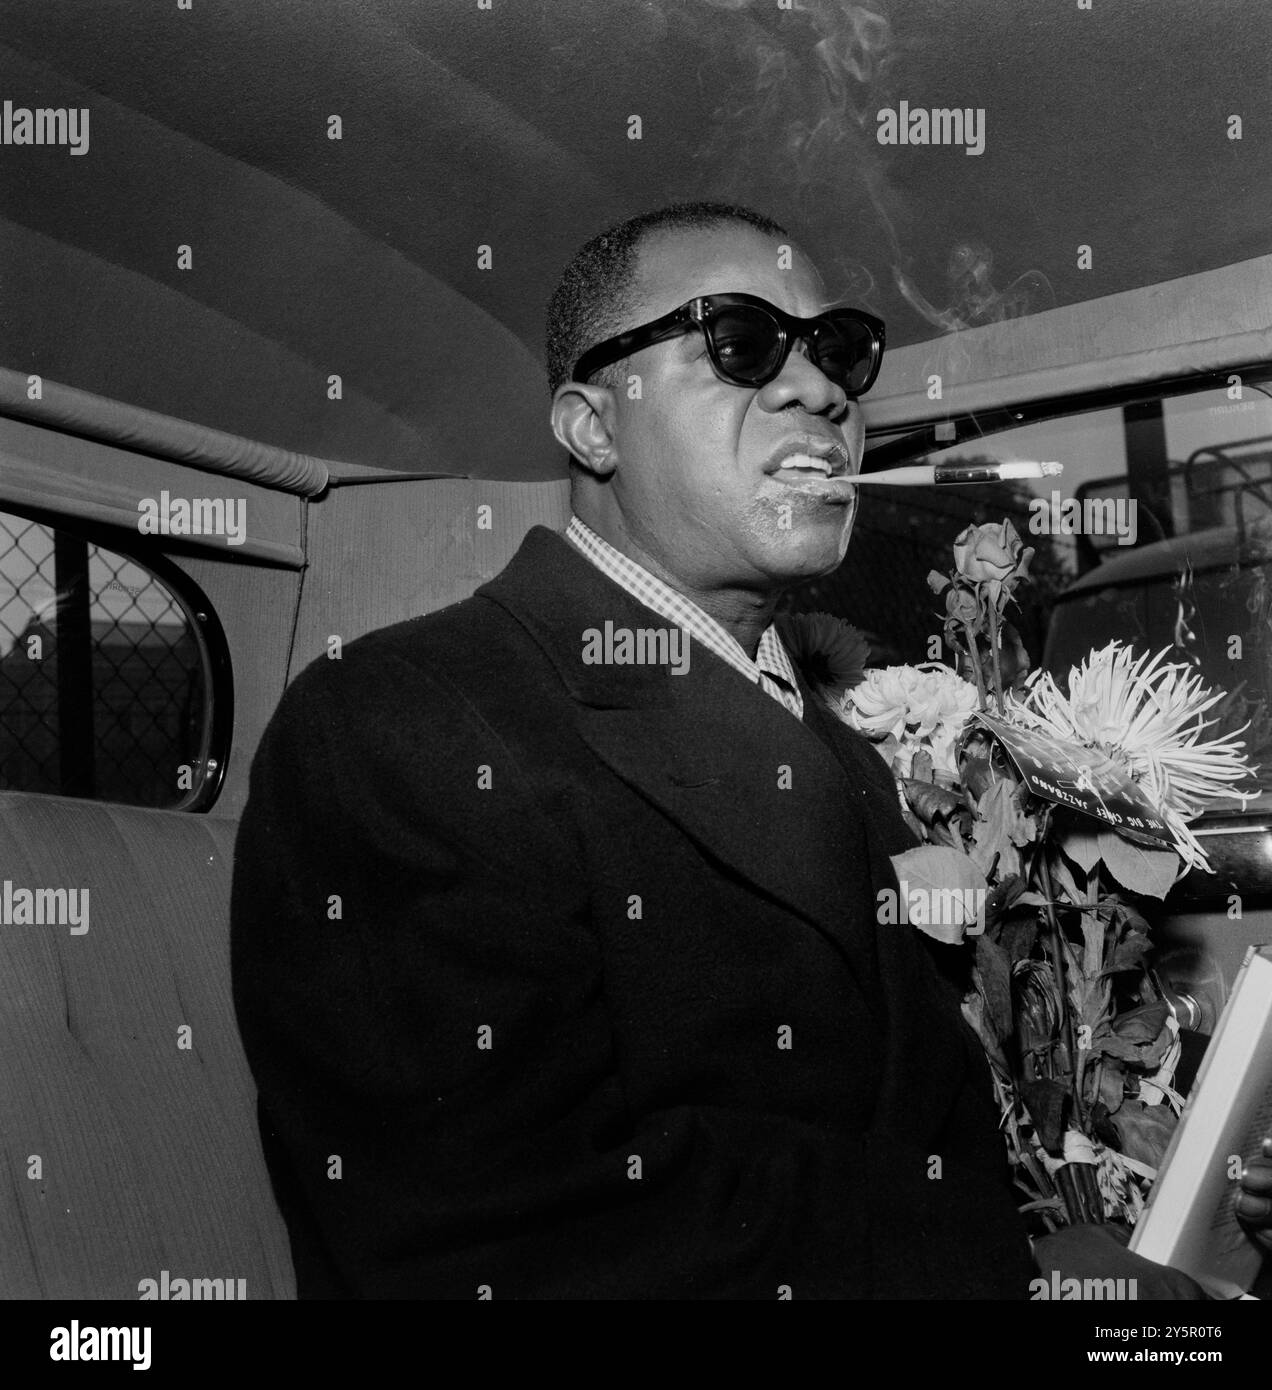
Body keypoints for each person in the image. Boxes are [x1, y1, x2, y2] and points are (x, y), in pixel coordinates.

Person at [231, 201, 1269, 1299]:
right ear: (591, 425)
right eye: (740, 341)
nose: (820, 389)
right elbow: (504, 1235)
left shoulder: (833, 743)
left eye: (840, 352)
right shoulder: (408, 724)